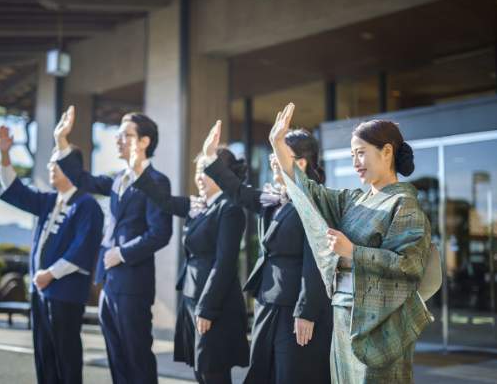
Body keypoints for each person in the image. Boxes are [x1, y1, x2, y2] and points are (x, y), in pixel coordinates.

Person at [270, 103, 433, 383]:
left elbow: (410, 265)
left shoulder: (403, 203)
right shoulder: (354, 200)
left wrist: (353, 252)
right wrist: (277, 145)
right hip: (345, 316)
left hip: (380, 325)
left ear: (387, 151)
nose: (356, 162)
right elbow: (309, 192)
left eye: (361, 153)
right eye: (352, 155)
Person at [200, 121, 331, 384]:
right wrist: (210, 156)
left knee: (290, 375)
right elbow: (238, 191)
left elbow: (316, 260)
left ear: (301, 163)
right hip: (266, 300)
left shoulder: (315, 201)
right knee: (262, 371)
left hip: (294, 307)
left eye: (279, 153)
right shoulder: (274, 199)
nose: (272, 160)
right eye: (272, 153)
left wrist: (307, 311)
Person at [53, 106, 172, 384]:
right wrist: (61, 141)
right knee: (117, 358)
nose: (118, 139)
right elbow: (82, 179)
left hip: (133, 285)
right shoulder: (118, 179)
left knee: (136, 358)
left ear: (144, 141)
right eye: (118, 134)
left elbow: (160, 233)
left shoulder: (157, 182)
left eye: (126, 135)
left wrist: (122, 253)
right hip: (109, 282)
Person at [129, 138, 249, 384]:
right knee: (199, 371)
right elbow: (164, 201)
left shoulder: (230, 209)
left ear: (221, 173)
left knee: (212, 373)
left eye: (205, 171)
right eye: (197, 171)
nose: (199, 177)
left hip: (214, 304)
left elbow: (224, 264)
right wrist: (138, 169)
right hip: (191, 298)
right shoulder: (199, 205)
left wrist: (207, 308)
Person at [0, 126, 104, 384]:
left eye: (56, 163)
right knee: (44, 354)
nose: (50, 167)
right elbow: (15, 189)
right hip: (40, 291)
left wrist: (50, 274)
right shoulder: (48, 200)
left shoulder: (87, 205)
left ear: (71, 167)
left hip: (65, 292)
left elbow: (82, 248)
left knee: (65, 355)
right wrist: (5, 154)